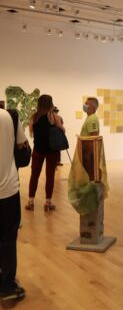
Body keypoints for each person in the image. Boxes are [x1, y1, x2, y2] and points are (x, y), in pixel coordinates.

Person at [0, 108, 27, 302]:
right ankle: (7, 286)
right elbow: (23, 147)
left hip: (8, 189)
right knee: (8, 239)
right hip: (7, 189)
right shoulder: (9, 116)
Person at [25, 95, 64, 212]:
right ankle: (48, 203)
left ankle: (31, 202)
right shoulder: (54, 117)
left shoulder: (34, 117)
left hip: (38, 150)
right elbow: (62, 130)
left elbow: (32, 132)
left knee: (34, 175)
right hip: (52, 151)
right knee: (50, 176)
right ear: (50, 103)